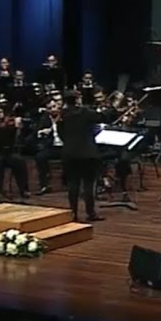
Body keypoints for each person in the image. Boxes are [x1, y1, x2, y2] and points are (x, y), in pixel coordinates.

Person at [58, 90, 104, 222]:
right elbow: (102, 118)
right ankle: (91, 213)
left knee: (73, 184)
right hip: (88, 153)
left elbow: (61, 134)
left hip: (69, 153)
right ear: (77, 99)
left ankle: (73, 213)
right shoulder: (86, 112)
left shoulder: (62, 115)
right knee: (89, 184)